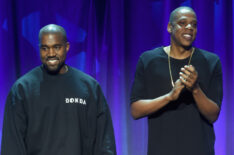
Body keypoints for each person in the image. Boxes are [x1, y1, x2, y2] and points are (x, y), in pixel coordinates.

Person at [1, 24, 116, 155]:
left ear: (66, 47)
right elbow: (11, 146)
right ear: (39, 49)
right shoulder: (22, 90)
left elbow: (104, 142)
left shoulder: (89, 87)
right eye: (45, 48)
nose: (51, 54)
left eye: (57, 47)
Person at [130, 6, 223, 155]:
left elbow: (213, 115)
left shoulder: (211, 61)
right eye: (182, 23)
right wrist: (169, 97)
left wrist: (195, 89)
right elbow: (135, 110)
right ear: (169, 27)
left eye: (194, 25)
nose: (189, 27)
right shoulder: (148, 60)